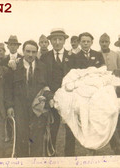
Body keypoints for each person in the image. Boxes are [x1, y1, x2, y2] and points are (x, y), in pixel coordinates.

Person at [4, 40, 53, 157]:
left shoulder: (43, 67)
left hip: (37, 110)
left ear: (37, 52)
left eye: (34, 52)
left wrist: (48, 98)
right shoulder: (14, 67)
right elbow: (8, 88)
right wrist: (10, 106)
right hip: (20, 109)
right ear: (23, 51)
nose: (30, 55)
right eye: (28, 51)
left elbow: (46, 86)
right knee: (21, 141)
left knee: (37, 141)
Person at [40, 28, 76, 156]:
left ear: (64, 40)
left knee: (71, 129)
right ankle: (50, 156)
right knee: (51, 129)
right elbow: (41, 79)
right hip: (52, 99)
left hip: (69, 98)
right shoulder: (44, 58)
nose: (57, 42)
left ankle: (70, 157)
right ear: (50, 41)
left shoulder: (72, 57)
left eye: (60, 39)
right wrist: (49, 96)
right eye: (54, 39)